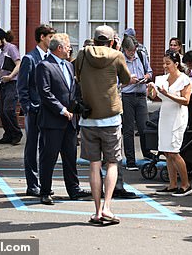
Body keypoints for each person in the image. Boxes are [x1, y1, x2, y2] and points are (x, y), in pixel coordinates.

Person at [75, 25, 131, 225]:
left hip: (88, 117)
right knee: (113, 163)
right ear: (112, 41)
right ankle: (107, 207)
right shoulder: (116, 55)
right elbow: (126, 79)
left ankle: (97, 211)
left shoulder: (82, 55)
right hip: (111, 117)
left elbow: (77, 76)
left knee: (94, 166)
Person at [36, 33, 91, 205]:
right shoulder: (44, 66)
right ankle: (45, 191)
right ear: (59, 48)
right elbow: (45, 93)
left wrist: (77, 108)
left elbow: (72, 90)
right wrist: (61, 110)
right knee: (49, 158)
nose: (70, 49)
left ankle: (73, 189)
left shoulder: (68, 65)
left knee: (70, 157)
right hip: (53, 121)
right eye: (67, 46)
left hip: (70, 121)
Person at [17, 23, 56, 197]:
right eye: (50, 37)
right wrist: (28, 108)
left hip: (48, 111)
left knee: (46, 147)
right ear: (42, 37)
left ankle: (43, 183)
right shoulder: (29, 58)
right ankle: (32, 184)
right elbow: (22, 86)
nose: (52, 40)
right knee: (32, 147)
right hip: (34, 110)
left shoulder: (51, 58)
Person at [150, 50, 192, 197]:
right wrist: (151, 90)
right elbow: (154, 97)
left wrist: (168, 94)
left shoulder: (184, 79)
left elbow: (186, 101)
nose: (165, 66)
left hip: (177, 116)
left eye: (168, 63)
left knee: (174, 151)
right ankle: (172, 184)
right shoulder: (162, 79)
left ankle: (186, 185)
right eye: (164, 63)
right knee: (167, 151)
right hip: (165, 114)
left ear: (176, 64)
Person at [121, 35, 153, 170]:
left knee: (144, 127)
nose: (132, 53)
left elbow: (150, 71)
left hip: (141, 95)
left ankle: (147, 153)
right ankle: (130, 160)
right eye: (130, 51)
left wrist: (146, 77)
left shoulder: (141, 55)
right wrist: (129, 81)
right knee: (128, 129)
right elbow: (116, 82)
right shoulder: (120, 59)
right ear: (124, 49)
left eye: (134, 50)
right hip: (127, 95)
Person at [0, 28, 22, 145]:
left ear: (3, 39)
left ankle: (16, 133)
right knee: (2, 113)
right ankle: (8, 134)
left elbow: (19, 64)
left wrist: (11, 76)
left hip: (13, 83)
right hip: (4, 83)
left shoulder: (11, 48)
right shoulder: (1, 52)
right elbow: (2, 72)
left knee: (8, 109)